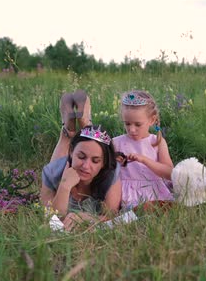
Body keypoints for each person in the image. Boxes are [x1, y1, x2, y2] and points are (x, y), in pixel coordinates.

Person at [40, 90, 121, 231]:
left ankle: (78, 127)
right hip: (61, 168)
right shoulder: (51, 172)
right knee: (57, 167)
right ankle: (72, 129)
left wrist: (85, 218)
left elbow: (111, 215)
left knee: (89, 143)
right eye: (81, 157)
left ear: (103, 164)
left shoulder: (111, 173)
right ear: (71, 152)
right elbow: (50, 218)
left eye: (95, 161)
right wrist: (64, 187)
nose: (85, 166)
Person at [113, 90, 174, 209]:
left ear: (151, 120)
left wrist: (145, 160)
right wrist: (114, 162)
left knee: (156, 210)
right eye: (127, 123)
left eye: (137, 124)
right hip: (125, 191)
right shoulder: (116, 142)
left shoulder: (157, 142)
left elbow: (170, 173)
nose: (131, 129)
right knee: (132, 213)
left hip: (152, 190)